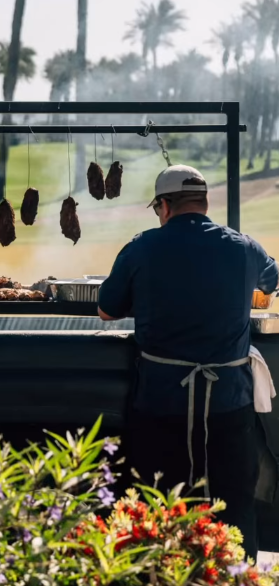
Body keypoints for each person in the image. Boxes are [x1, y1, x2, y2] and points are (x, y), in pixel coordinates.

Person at [98, 164, 278, 559]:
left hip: (162, 401)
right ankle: (237, 575)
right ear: (204, 202)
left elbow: (106, 310)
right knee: (233, 500)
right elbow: (271, 280)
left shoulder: (141, 247)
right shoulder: (243, 247)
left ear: (163, 205)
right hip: (229, 403)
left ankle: (156, 571)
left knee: (157, 499)